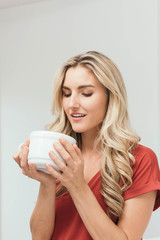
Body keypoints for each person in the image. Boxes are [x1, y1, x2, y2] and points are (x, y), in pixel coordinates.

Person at [13, 51, 160, 240]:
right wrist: (47, 183)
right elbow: (39, 237)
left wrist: (77, 186)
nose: (72, 104)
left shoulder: (140, 159)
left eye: (86, 93)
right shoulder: (58, 154)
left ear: (110, 97)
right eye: (66, 94)